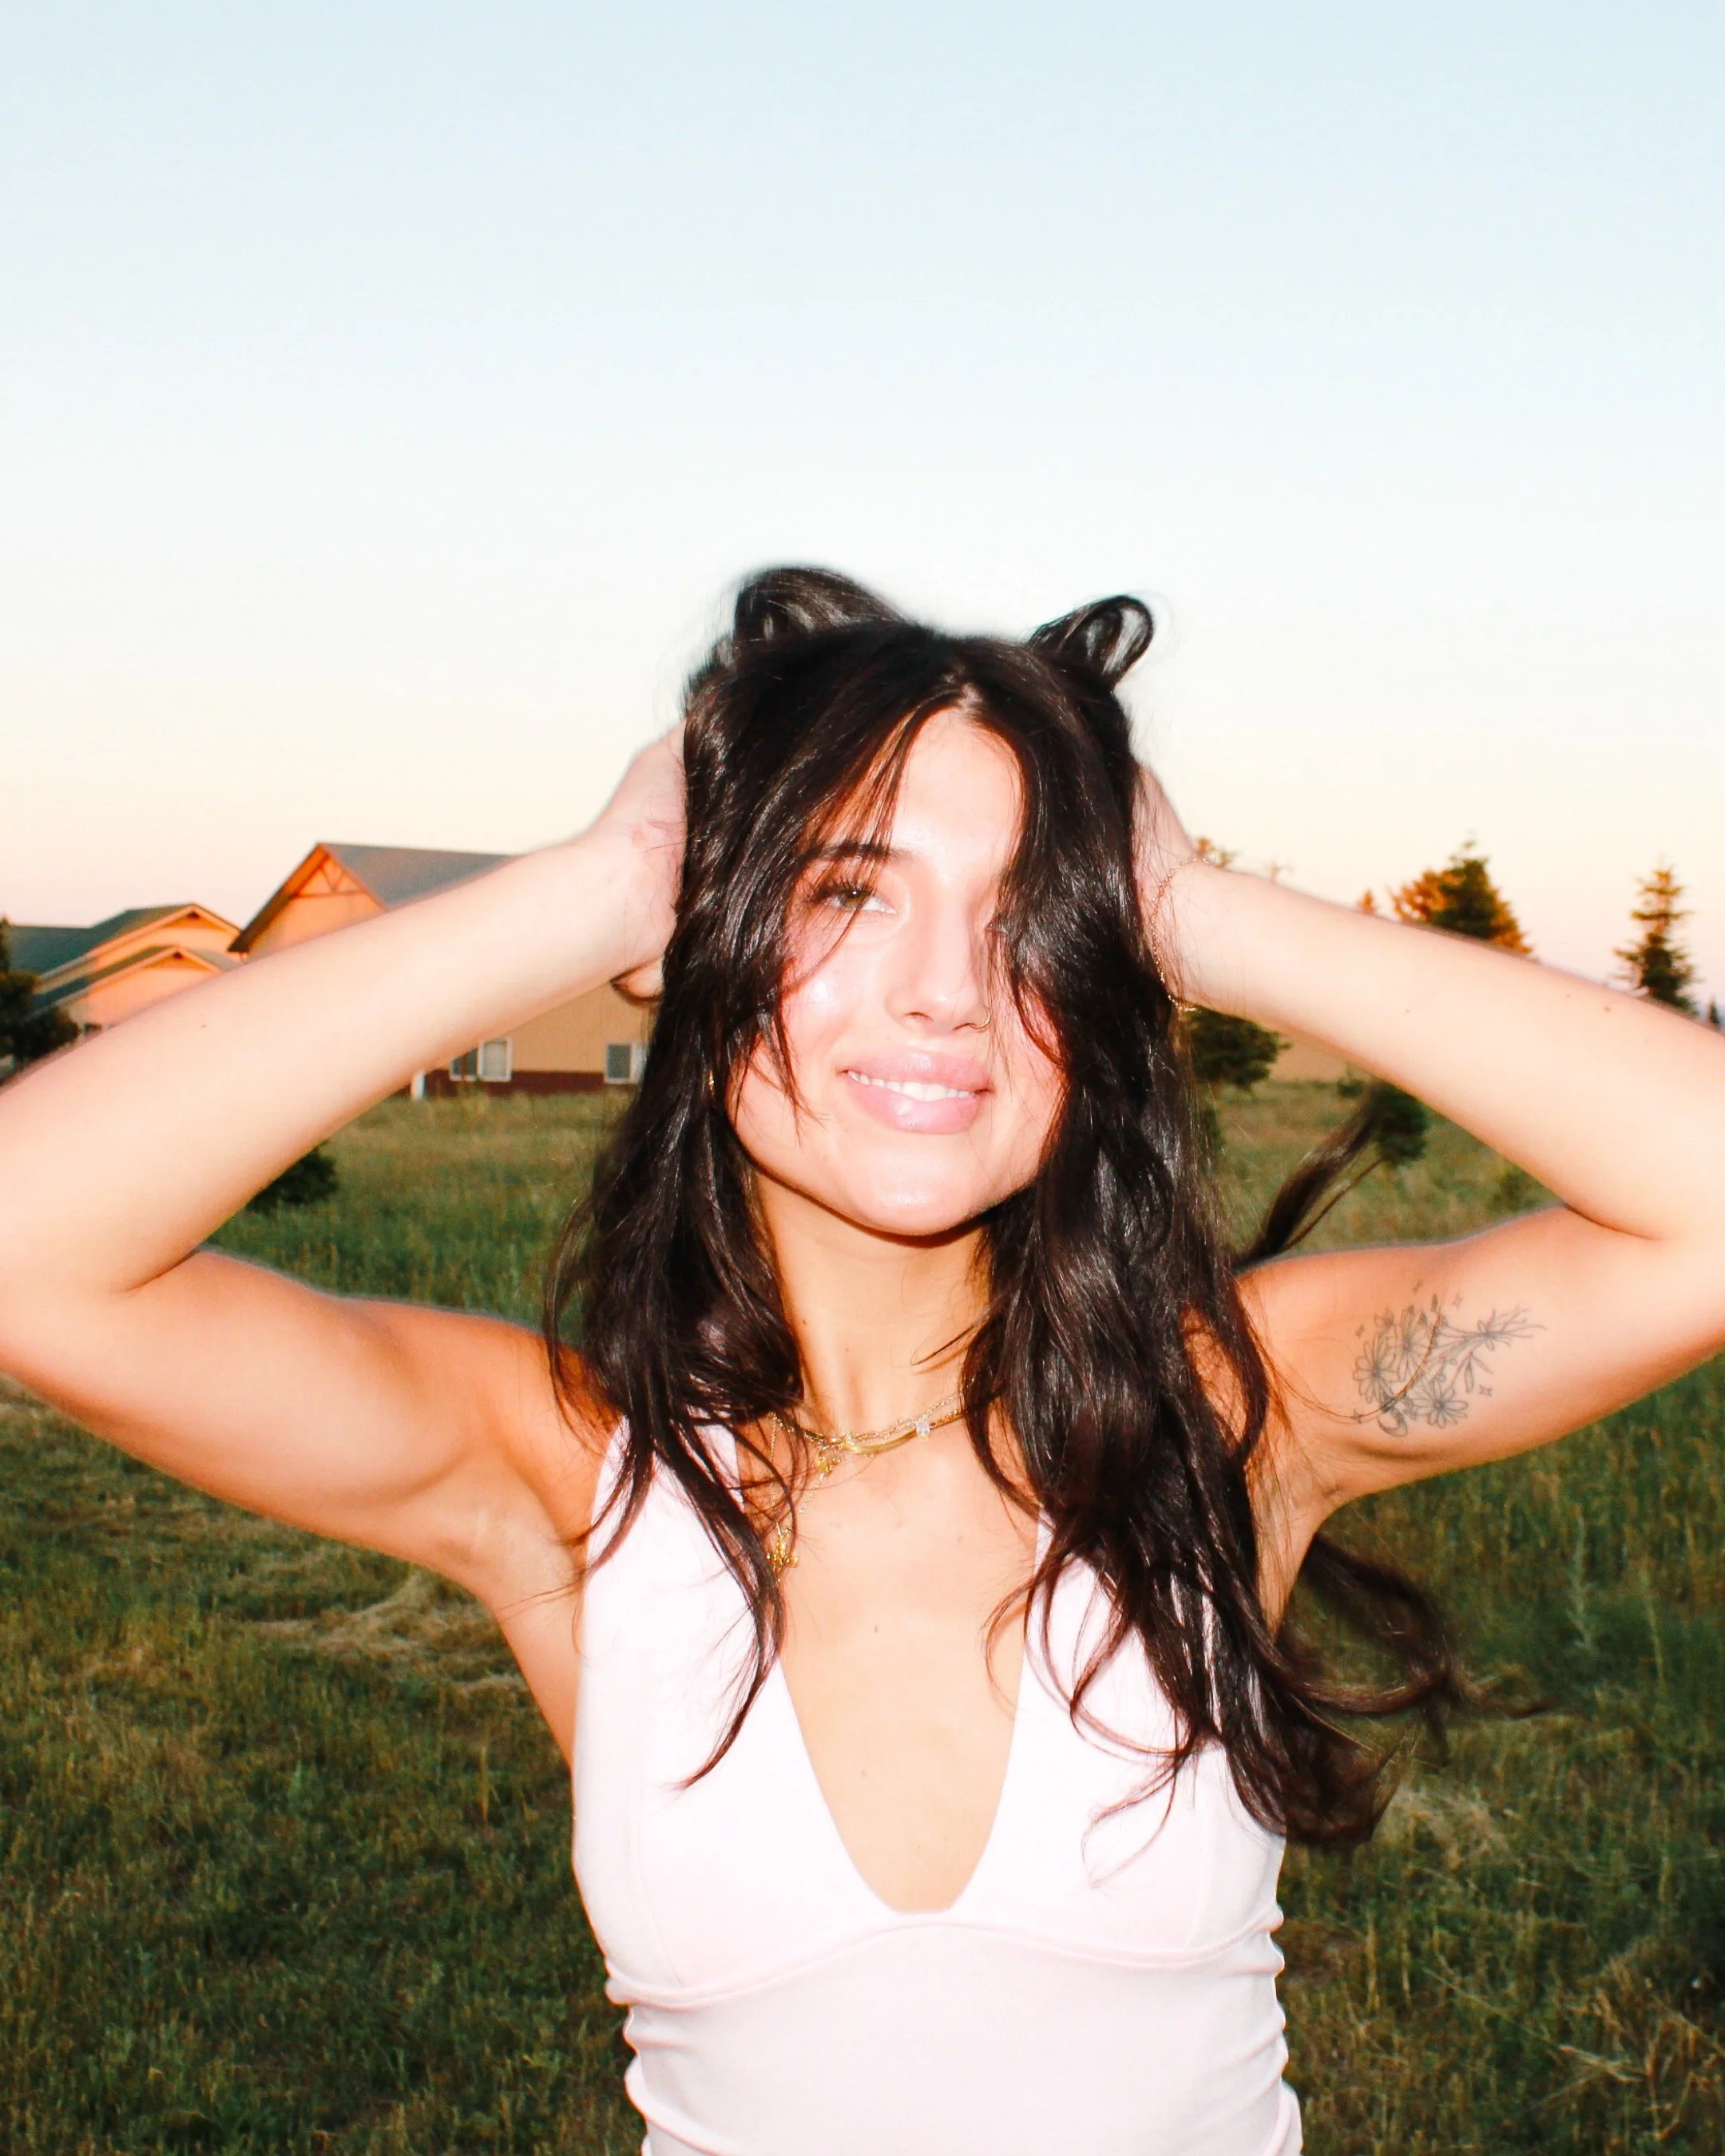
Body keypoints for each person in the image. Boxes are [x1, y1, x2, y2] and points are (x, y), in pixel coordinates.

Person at [2, 569, 1723, 2156]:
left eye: (1024, 916)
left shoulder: (1228, 1417)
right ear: (712, 940)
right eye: (845, 895)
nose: (945, 992)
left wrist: (1191, 909)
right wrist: (604, 882)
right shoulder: (575, 1478)